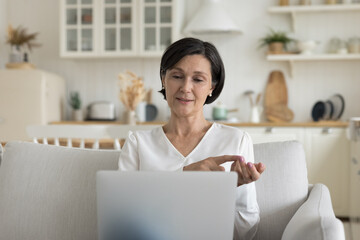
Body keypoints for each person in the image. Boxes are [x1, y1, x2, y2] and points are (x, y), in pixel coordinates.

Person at [118, 37, 266, 239]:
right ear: (164, 79)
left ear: (212, 87)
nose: (186, 88)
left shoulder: (236, 140)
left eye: (198, 79)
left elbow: (246, 233)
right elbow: (122, 224)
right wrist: (184, 175)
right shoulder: (138, 143)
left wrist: (232, 191)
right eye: (177, 76)